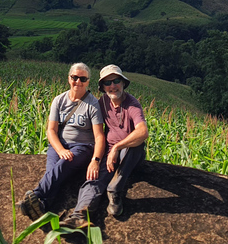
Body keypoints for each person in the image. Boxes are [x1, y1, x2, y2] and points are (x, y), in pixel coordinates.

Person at [61, 64, 148, 228]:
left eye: (116, 81)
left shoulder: (132, 105)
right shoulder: (103, 102)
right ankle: (80, 214)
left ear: (123, 83)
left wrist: (117, 147)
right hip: (109, 153)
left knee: (137, 144)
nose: (112, 86)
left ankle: (115, 189)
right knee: (94, 177)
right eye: (108, 83)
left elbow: (142, 131)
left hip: (129, 153)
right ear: (103, 87)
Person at [17, 62, 106, 221]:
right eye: (74, 77)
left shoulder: (92, 105)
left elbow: (99, 136)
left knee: (61, 166)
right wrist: (60, 150)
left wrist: (95, 160)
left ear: (88, 82)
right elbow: (51, 130)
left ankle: (35, 195)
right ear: (69, 78)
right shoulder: (59, 100)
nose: (78, 82)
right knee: (53, 172)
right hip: (58, 145)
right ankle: (42, 206)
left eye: (83, 79)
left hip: (82, 147)